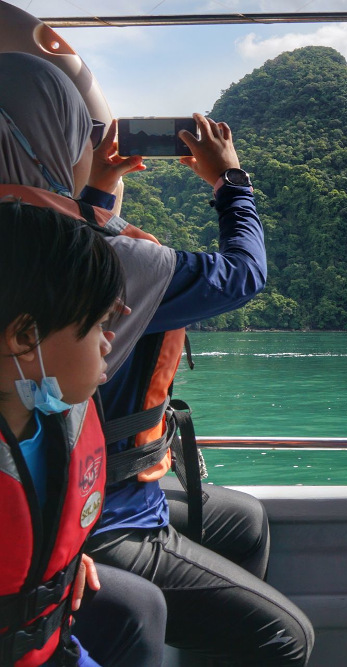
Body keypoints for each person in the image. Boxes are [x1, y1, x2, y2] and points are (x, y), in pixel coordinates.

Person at [0, 52, 314, 665]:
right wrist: (232, 184)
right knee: (287, 637)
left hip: (94, 498)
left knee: (245, 520)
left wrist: (97, 187)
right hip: (105, 513)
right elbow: (244, 274)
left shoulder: (34, 246)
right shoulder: (94, 263)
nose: (109, 335)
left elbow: (62, 229)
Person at [0, 201, 125, 667]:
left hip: (55, 643)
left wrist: (56, 562)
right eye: (97, 325)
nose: (108, 341)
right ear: (25, 338)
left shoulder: (49, 417)